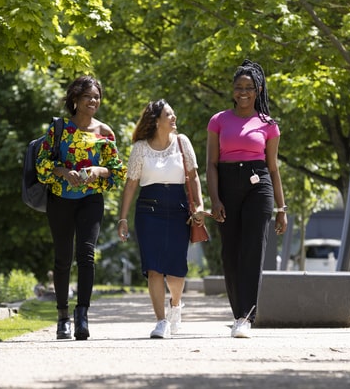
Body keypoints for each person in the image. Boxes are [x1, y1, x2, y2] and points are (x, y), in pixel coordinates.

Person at [36, 75, 126, 341]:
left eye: (96, 96)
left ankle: (82, 316)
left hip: (90, 200)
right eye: (88, 96)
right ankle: (62, 317)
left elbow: (118, 173)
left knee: (86, 255)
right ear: (75, 99)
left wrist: (98, 170)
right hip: (60, 199)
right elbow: (42, 166)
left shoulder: (105, 132)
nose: (93, 101)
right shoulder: (59, 129)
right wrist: (63, 171)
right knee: (63, 259)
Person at [206, 59, 287, 338]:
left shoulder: (268, 124)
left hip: (258, 185)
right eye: (239, 87)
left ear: (258, 90)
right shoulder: (218, 120)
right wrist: (215, 200)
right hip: (227, 185)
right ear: (232, 90)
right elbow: (211, 164)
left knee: (253, 250)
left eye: (249, 88)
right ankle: (236, 312)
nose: (243, 92)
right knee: (230, 252)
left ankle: (245, 317)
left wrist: (281, 208)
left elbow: (273, 168)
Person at [117, 99, 205, 338]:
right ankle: (161, 321)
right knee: (154, 268)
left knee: (176, 271)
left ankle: (175, 306)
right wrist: (123, 218)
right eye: (169, 114)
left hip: (178, 210)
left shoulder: (182, 142)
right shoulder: (140, 148)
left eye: (173, 113)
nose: (174, 117)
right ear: (156, 121)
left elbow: (194, 177)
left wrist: (200, 205)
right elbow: (131, 184)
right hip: (148, 211)